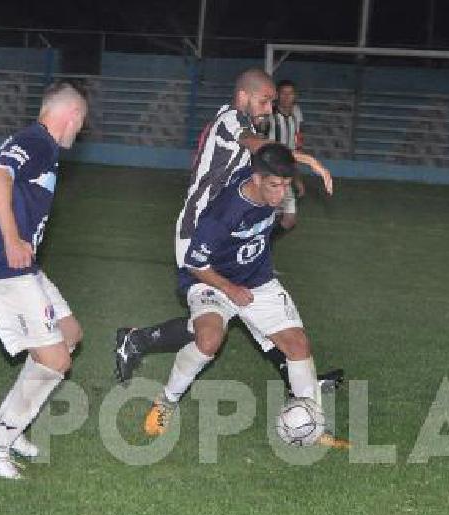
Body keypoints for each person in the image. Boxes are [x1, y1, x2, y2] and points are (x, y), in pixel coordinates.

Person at [113, 68, 343, 393]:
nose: (269, 109)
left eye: (272, 103)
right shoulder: (230, 121)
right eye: (265, 101)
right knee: (217, 316)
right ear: (243, 96)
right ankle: (138, 339)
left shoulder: (244, 123)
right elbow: (256, 146)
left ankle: (297, 377)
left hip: (225, 229)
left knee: (250, 301)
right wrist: (304, 159)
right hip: (198, 231)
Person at [143, 143, 349, 449]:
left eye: (286, 186)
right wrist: (229, 289)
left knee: (297, 344)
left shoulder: (267, 175)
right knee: (209, 339)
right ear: (256, 178)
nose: (281, 195)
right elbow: (195, 263)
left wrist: (312, 163)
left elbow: (275, 152)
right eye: (275, 186)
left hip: (257, 280)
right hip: (211, 280)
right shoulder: (225, 211)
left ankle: (311, 425)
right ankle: (165, 402)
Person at [0, 80, 87, 479]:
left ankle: (4, 427)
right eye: (81, 123)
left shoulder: (31, 142)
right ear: (71, 116)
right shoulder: (39, 141)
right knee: (55, 360)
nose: (80, 132)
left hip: (21, 266)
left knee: (69, 333)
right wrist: (12, 238)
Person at [267, 79, 305, 231]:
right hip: (270, 174)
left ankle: (265, 245)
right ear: (277, 95)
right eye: (283, 93)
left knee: (289, 220)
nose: (287, 97)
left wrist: (297, 179)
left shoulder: (295, 118)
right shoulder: (270, 117)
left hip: (286, 174)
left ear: (295, 96)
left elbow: (295, 150)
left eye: (290, 93)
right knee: (267, 215)